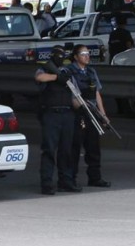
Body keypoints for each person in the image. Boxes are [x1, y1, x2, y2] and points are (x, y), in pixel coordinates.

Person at [35, 46, 81, 195]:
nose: (61, 58)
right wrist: (56, 77)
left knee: (66, 150)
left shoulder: (68, 73)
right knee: (49, 149)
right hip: (51, 114)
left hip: (67, 114)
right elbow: (39, 78)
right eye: (58, 55)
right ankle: (46, 183)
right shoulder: (45, 69)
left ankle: (65, 181)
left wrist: (83, 106)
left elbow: (75, 96)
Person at [66, 44, 111, 188]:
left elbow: (96, 93)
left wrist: (102, 114)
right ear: (75, 56)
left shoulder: (91, 71)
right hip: (77, 112)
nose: (87, 56)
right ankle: (70, 178)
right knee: (74, 147)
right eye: (83, 53)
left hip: (92, 112)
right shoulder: (69, 72)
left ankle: (95, 177)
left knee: (93, 147)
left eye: (88, 53)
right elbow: (70, 94)